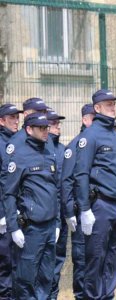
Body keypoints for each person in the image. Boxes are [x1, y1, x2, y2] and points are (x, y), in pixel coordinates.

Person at [74, 89, 116, 299]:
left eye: (114, 104)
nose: (113, 107)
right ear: (97, 108)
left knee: (113, 260)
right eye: (108, 105)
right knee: (95, 259)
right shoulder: (90, 136)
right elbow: (81, 174)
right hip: (101, 206)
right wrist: (85, 209)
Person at [3, 112, 58, 299]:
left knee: (46, 277)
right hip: (31, 228)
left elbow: (55, 190)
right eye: (41, 128)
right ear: (29, 129)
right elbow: (9, 194)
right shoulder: (19, 157)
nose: (45, 132)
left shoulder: (49, 153)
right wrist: (13, 227)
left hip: (50, 227)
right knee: (25, 280)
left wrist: (57, 222)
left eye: (47, 128)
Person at [61, 103, 95, 299]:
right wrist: (69, 212)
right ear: (85, 119)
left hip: (99, 211)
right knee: (82, 259)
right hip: (81, 213)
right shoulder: (75, 145)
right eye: (93, 118)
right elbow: (67, 181)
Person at [0, 104, 23, 299]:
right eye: (11, 118)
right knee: (5, 265)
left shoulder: (18, 142)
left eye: (17, 117)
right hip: (4, 215)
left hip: (18, 213)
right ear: (1, 121)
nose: (16, 121)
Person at [47, 110, 67, 300]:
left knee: (58, 259)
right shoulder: (42, 149)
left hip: (61, 214)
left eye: (58, 123)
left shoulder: (62, 150)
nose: (58, 126)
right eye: (54, 123)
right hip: (43, 215)